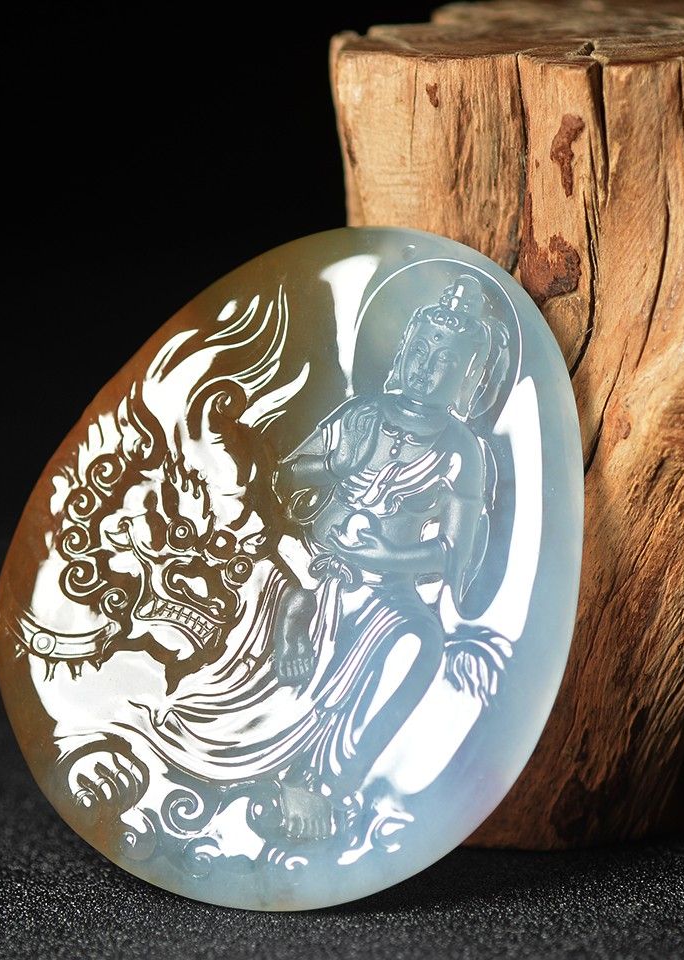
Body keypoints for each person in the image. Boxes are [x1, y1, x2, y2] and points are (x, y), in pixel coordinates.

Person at [269, 273, 510, 840]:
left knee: (419, 643)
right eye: (420, 352)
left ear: (467, 376)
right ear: (403, 353)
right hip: (314, 558)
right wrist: (334, 464)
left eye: (445, 361)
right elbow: (285, 477)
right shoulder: (362, 416)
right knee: (274, 578)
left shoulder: (461, 450)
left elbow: (455, 553)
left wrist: (387, 557)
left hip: (388, 592)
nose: (427, 369)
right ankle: (294, 614)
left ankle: (327, 783)